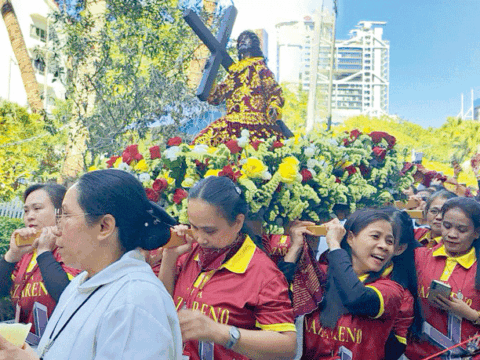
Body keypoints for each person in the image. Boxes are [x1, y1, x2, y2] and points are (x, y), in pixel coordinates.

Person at [0, 169, 183, 359]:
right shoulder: (83, 282)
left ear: (104, 227)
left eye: (66, 215)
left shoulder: (136, 301)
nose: (57, 228)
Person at [159, 176, 297, 360]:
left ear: (238, 223)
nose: (200, 238)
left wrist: (220, 332)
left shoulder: (263, 272)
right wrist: (169, 258)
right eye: (194, 227)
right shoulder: (189, 252)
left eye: (210, 231)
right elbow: (162, 310)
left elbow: (287, 347)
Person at [286, 209, 412, 359]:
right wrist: (295, 247)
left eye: (389, 241)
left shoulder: (391, 290)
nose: (383, 246)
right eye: (375, 236)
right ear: (351, 238)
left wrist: (334, 243)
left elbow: (356, 297)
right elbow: (278, 293)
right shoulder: (320, 274)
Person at [0, 184, 81, 334]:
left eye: (37, 208)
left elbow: (66, 295)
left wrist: (44, 253)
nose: (30, 216)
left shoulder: (72, 250)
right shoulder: (25, 253)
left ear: (60, 213)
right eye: (26, 211)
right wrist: (11, 256)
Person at [406, 197, 480, 359]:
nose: (452, 234)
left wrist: (472, 315)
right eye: (447, 226)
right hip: (417, 353)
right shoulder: (419, 256)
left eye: (461, 230)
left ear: (476, 232)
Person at [192, 30, 287, 146]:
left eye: (246, 38)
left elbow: (274, 92)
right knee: (201, 143)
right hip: (232, 121)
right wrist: (209, 75)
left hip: (257, 121)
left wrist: (274, 107)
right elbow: (216, 97)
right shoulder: (234, 72)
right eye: (239, 40)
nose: (242, 41)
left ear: (254, 43)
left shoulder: (260, 68)